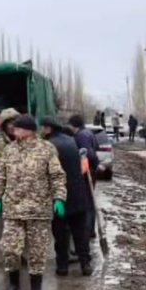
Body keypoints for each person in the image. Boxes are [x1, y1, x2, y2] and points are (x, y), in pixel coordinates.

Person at [0, 114, 67, 290]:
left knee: (37, 252)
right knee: (9, 249)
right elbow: (1, 175)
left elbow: (57, 176)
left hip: (38, 209)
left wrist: (59, 198)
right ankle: (13, 284)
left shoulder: (47, 149)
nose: (13, 131)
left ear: (28, 130)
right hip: (13, 209)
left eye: (17, 128)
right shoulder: (9, 151)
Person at [41, 117, 93, 276]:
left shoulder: (47, 146)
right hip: (78, 195)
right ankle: (85, 265)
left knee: (60, 233)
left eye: (42, 128)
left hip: (59, 198)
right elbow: (83, 166)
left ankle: (62, 266)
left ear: (49, 129)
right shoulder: (72, 141)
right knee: (80, 233)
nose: (41, 131)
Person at [68, 114, 101, 238]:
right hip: (91, 170)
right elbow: (96, 147)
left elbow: (89, 153)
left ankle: (88, 230)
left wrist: (88, 165)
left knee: (87, 201)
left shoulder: (81, 136)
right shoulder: (88, 133)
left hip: (87, 171)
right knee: (90, 201)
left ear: (73, 125)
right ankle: (89, 229)